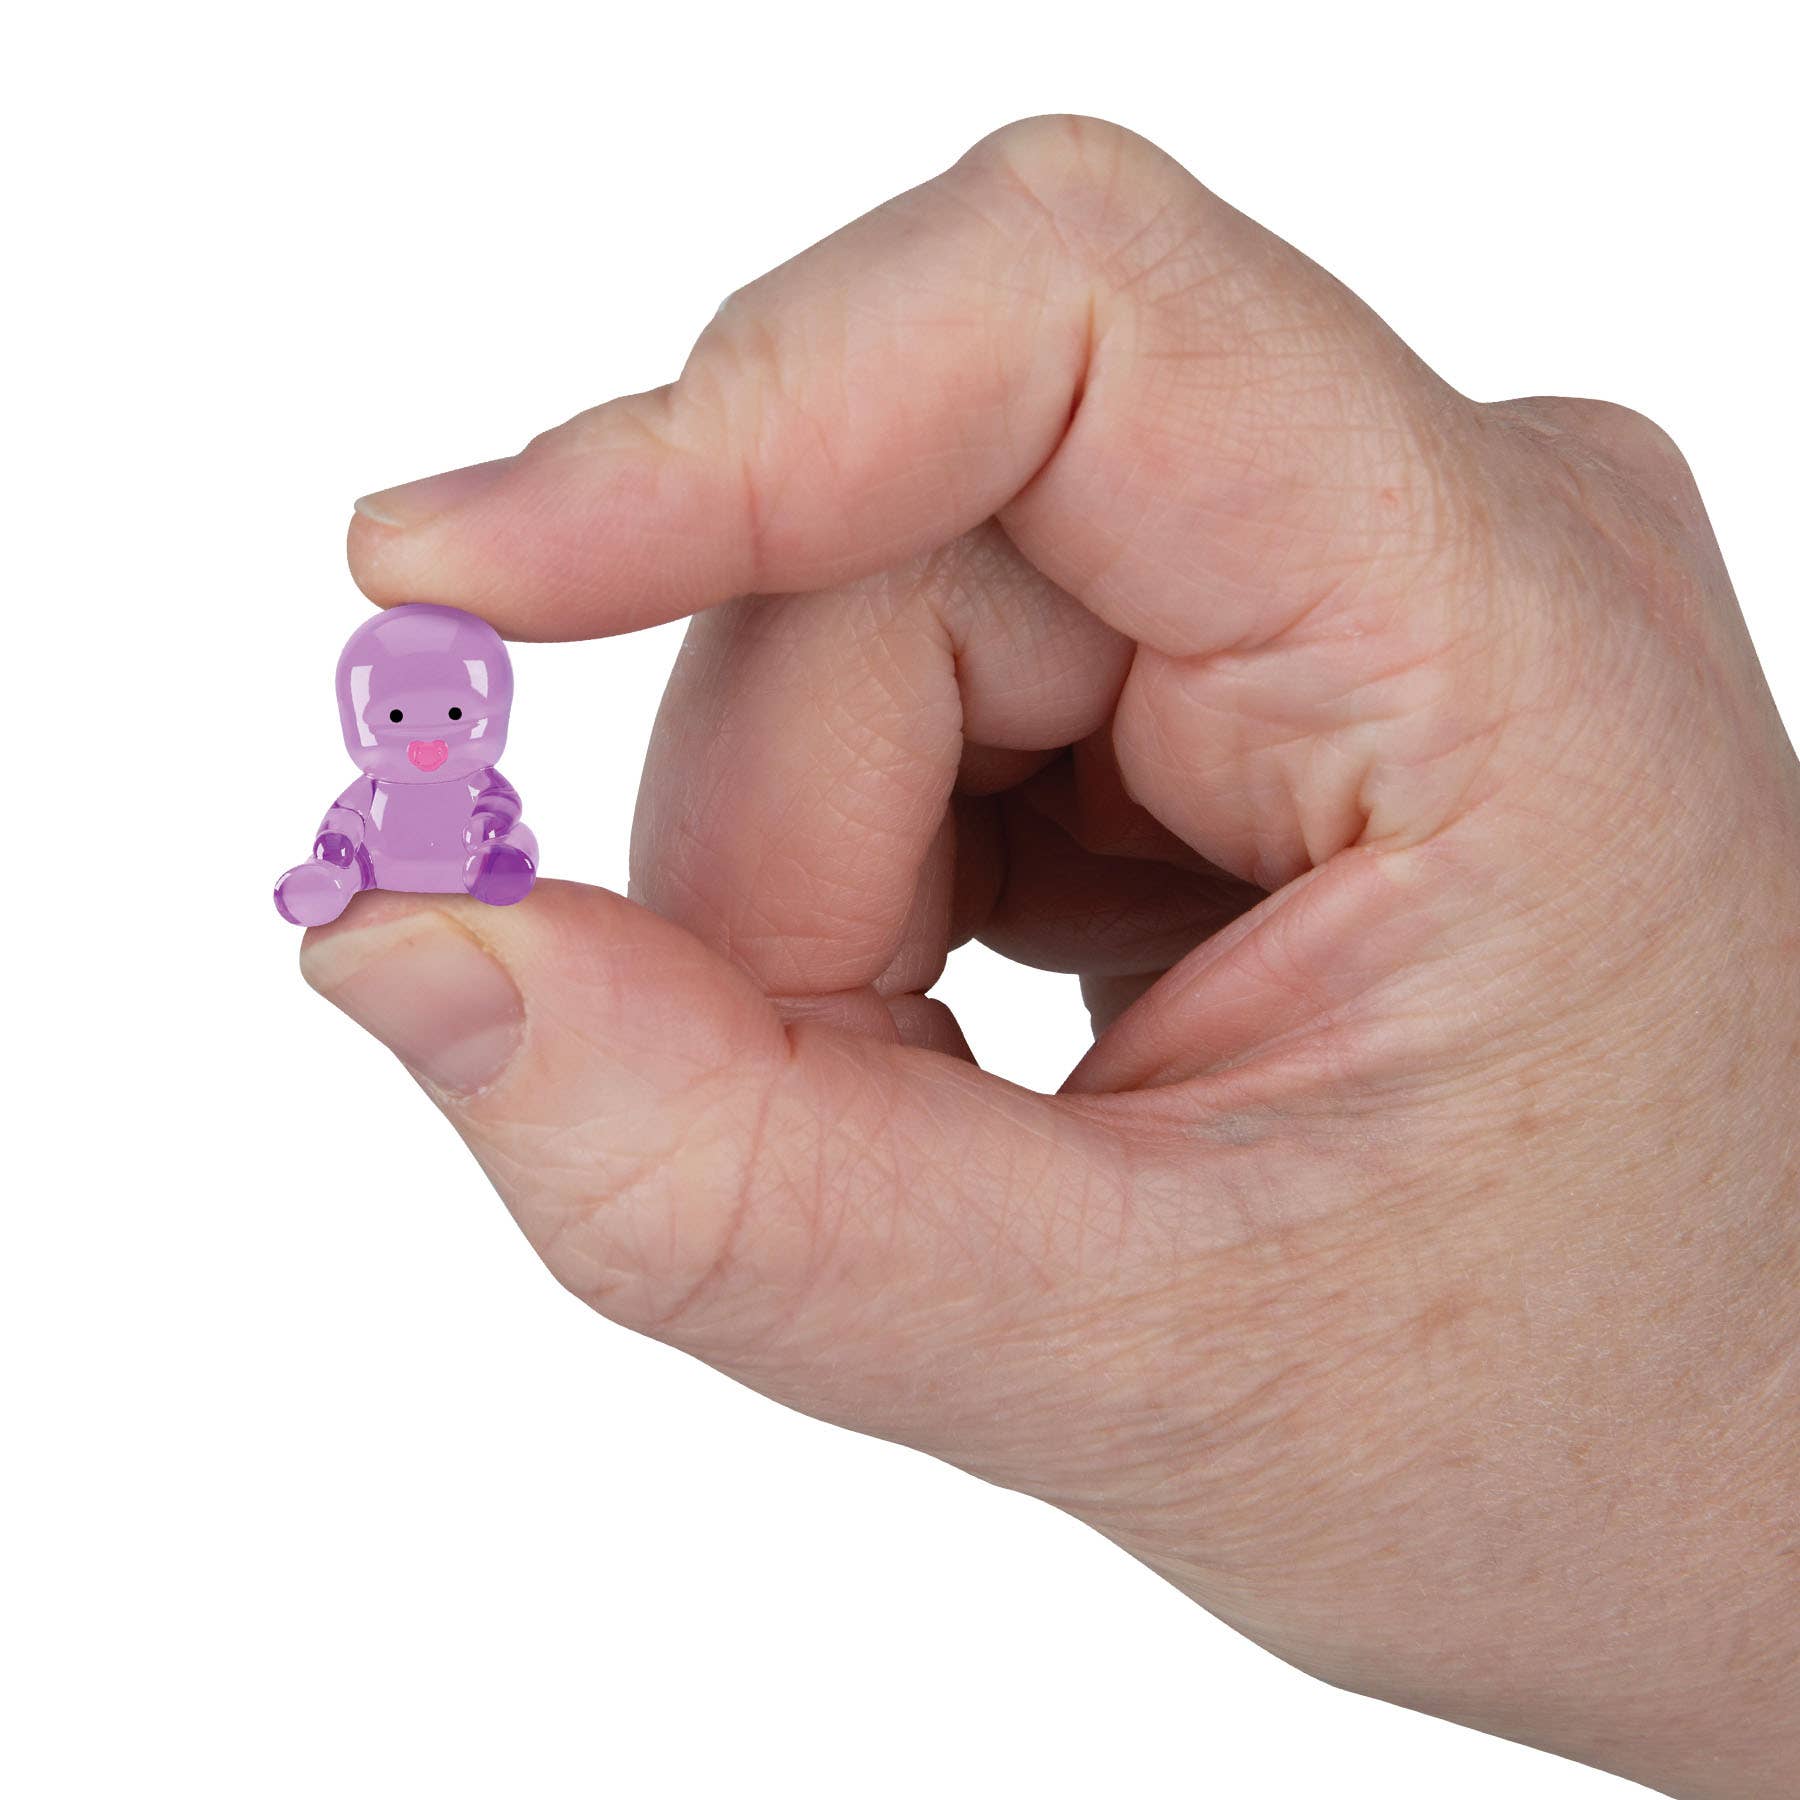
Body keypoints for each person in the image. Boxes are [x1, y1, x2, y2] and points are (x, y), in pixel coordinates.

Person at [306, 117, 1799, 1795]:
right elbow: (371, 853)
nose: (432, 729)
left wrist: (1749, 1408)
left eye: (448, 713)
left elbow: (493, 849)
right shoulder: (406, 811)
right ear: (377, 722)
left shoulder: (475, 814)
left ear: (476, 714)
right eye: (407, 718)